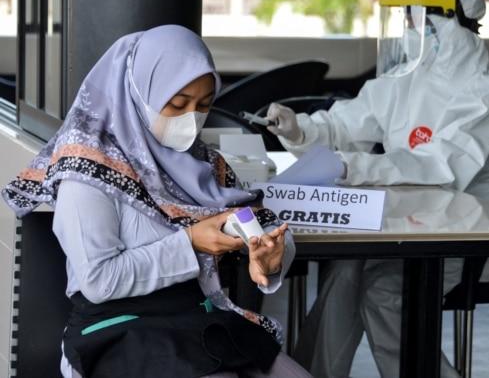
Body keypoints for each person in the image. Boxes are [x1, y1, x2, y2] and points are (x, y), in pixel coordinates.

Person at [265, 0, 489, 378]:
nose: (410, 30)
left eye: (417, 21)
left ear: (442, 25)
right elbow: (350, 122)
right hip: (423, 223)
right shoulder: (408, 77)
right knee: (347, 269)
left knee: (384, 293)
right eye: (408, 20)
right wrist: (300, 129)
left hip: (483, 235)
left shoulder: (485, 92)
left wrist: (351, 165)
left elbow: (440, 167)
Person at [2, 24, 313, 378]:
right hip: (117, 328)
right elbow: (100, 280)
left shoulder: (202, 163)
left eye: (203, 106)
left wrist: (270, 255)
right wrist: (191, 242)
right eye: (178, 103)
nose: (190, 120)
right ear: (139, 90)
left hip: (195, 318)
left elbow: (254, 217)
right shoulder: (87, 167)